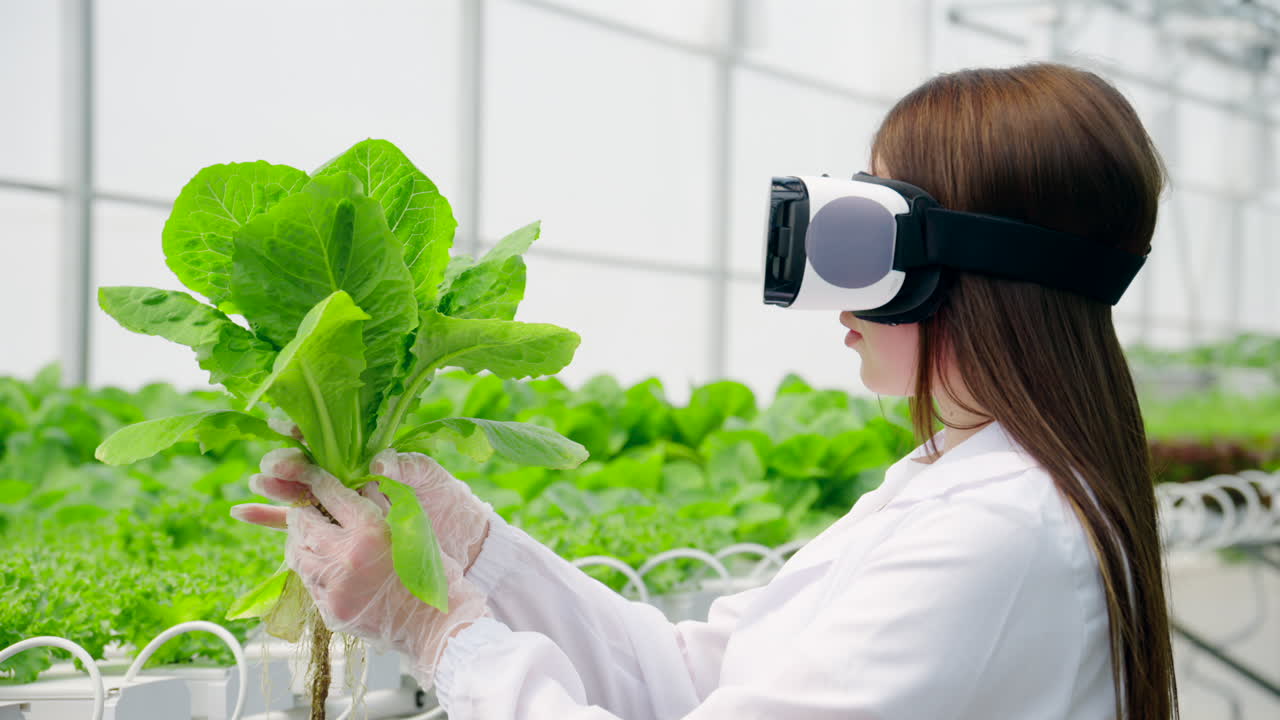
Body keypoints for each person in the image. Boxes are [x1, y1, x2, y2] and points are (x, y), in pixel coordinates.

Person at [232, 62, 1178, 719]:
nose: (831, 297)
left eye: (860, 242)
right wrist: (471, 547)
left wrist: (438, 630)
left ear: (963, 267)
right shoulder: (960, 479)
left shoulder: (1000, 535)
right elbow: (693, 681)